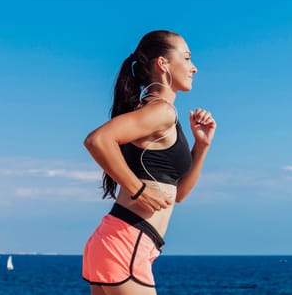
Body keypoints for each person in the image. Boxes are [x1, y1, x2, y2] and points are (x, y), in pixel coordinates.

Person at [82, 30, 216, 295]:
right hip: (127, 242)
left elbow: (179, 195)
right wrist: (138, 189)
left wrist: (201, 146)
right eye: (187, 58)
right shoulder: (160, 111)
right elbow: (97, 140)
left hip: (120, 242)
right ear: (163, 64)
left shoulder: (158, 112)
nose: (194, 68)